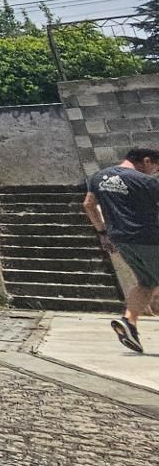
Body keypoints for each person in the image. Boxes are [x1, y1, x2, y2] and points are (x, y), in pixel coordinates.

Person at [83, 147, 159, 353]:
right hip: (150, 238)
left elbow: (89, 204)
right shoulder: (147, 182)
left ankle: (129, 323)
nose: (154, 172)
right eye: (155, 167)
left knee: (146, 283)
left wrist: (102, 233)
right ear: (146, 160)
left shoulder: (99, 177)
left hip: (121, 239)